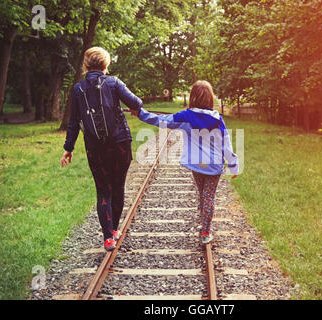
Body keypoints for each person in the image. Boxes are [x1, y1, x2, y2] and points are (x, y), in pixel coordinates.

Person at [131, 80, 239, 244]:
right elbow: (226, 144)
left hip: (196, 164)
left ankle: (204, 220)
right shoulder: (218, 120)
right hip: (213, 165)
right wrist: (233, 164)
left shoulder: (186, 116)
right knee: (208, 196)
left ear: (193, 97)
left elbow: (161, 120)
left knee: (203, 195)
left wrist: (140, 113)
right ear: (210, 98)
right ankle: (205, 231)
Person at [60, 47, 143, 251]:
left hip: (95, 148)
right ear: (106, 65)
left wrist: (68, 148)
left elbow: (74, 122)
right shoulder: (114, 83)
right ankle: (115, 230)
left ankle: (108, 239)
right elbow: (136, 102)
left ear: (85, 66)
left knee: (103, 191)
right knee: (118, 187)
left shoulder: (78, 89)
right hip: (120, 144)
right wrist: (134, 108)